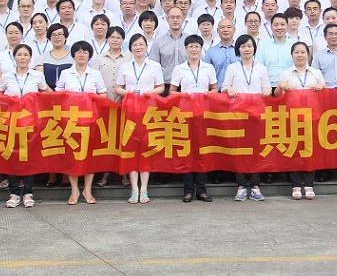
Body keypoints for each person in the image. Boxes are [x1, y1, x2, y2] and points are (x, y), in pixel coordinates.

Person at [115, 34, 165, 204]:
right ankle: (134, 189)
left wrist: (150, 92)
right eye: (135, 45)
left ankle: (144, 189)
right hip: (130, 110)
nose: (138, 47)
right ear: (130, 48)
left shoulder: (155, 66)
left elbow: (161, 87)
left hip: (148, 110)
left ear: (146, 47)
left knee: (146, 147)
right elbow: (118, 88)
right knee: (130, 147)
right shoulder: (125, 66)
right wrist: (128, 93)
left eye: (141, 44)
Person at [0, 43, 48, 208]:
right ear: (14, 57)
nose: (22, 58)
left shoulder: (37, 76)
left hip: (31, 122)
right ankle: (13, 193)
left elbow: (45, 93)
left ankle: (28, 192)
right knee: (12, 156)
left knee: (29, 157)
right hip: (11, 122)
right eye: (19, 55)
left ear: (30, 58)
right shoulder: (7, 76)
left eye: (26, 55)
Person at [56, 41, 107, 205]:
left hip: (90, 119)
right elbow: (58, 95)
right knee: (72, 154)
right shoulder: (65, 73)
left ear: (89, 55)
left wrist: (91, 98)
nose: (81, 55)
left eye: (85, 52)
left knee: (89, 155)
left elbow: (103, 94)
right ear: (73, 55)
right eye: (78, 52)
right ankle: (74, 190)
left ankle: (87, 189)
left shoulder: (95, 74)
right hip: (71, 120)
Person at [223, 34, 271, 202]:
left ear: (254, 48)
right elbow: (224, 87)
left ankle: (255, 185)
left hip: (257, 115)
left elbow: (267, 88)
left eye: (249, 46)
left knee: (256, 150)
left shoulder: (261, 68)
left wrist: (267, 91)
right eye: (243, 46)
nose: (246, 49)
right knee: (240, 150)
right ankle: (242, 185)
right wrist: (228, 89)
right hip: (238, 115)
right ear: (238, 49)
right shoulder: (232, 68)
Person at [170, 35, 218, 203]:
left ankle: (202, 190)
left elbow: (215, 89)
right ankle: (188, 190)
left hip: (204, 114)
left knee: (202, 151)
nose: (194, 49)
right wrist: (184, 95)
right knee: (187, 152)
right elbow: (172, 91)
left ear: (201, 49)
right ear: (186, 49)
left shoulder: (208, 68)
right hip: (186, 114)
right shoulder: (179, 69)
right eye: (190, 46)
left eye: (197, 46)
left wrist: (205, 94)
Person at [275, 41, 325, 200]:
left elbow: (325, 96)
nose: (300, 55)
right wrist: (281, 87)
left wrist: (322, 86)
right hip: (292, 117)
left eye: (303, 52)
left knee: (310, 150)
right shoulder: (286, 74)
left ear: (308, 55)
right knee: (294, 150)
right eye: (296, 52)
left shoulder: (316, 73)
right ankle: (296, 184)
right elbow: (277, 96)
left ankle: (309, 184)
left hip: (312, 117)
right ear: (292, 55)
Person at [93, 26, 132, 187]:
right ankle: (105, 174)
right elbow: (94, 80)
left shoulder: (129, 57)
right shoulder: (99, 59)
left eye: (118, 37)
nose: (115, 40)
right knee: (106, 140)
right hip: (105, 105)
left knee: (125, 139)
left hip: (125, 104)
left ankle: (125, 174)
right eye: (112, 37)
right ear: (107, 39)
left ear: (123, 39)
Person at [36, 23, 74, 188]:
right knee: (51, 135)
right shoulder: (42, 57)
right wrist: (53, 94)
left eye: (60, 34)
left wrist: (62, 95)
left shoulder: (73, 56)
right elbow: (39, 79)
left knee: (67, 135)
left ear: (65, 37)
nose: (57, 37)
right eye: (54, 35)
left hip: (68, 101)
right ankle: (52, 174)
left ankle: (66, 173)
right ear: (49, 38)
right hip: (48, 101)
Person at [0, 21, 24, 86]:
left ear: (22, 35)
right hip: (6, 90)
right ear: (6, 35)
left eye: (16, 33)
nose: (13, 36)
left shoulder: (28, 53)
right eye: (10, 33)